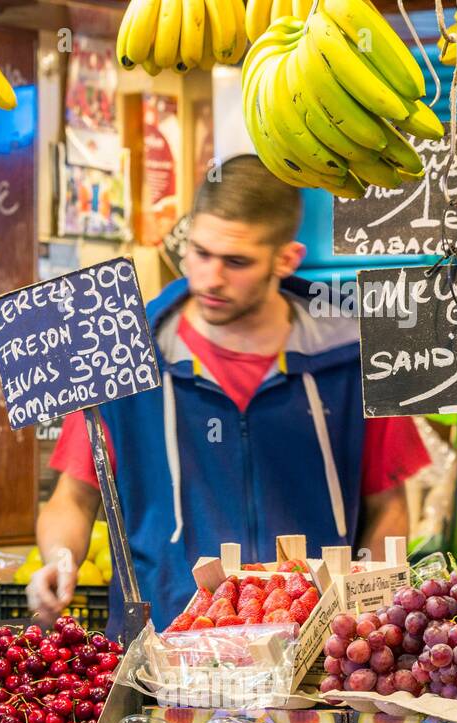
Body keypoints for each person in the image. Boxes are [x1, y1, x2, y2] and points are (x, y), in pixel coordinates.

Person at [29, 155, 429, 635]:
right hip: (163, 656)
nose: (210, 279)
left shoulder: (352, 356)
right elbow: (72, 498)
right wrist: (59, 559)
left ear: (286, 259)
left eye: (236, 262)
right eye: (199, 253)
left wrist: (371, 604)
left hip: (314, 656)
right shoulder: (123, 350)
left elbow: (389, 504)